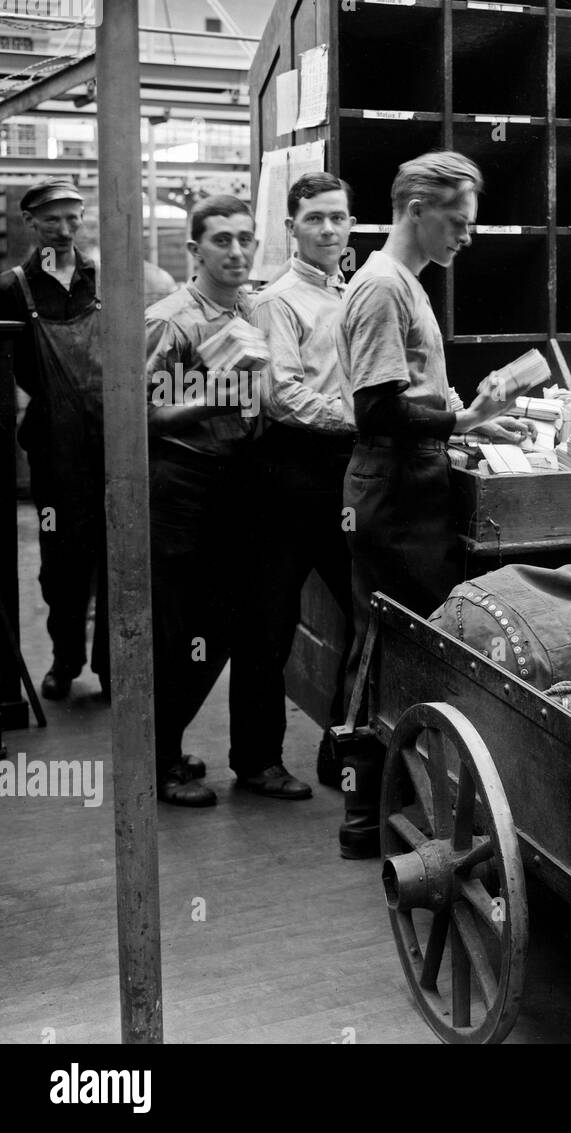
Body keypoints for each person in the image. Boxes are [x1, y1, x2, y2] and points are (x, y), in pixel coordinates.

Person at [334, 150, 526, 858]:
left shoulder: (403, 284)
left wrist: (460, 413)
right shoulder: (384, 287)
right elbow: (376, 409)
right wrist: (464, 422)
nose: (467, 236)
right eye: (459, 221)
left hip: (409, 480)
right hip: (395, 488)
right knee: (387, 641)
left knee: (394, 640)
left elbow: (402, 394)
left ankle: (383, 802)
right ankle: (364, 814)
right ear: (416, 209)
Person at [145, 194, 310, 807]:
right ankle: (158, 762)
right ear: (195, 250)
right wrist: (212, 398)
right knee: (187, 632)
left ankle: (258, 761)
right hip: (186, 489)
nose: (238, 251)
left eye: (246, 238)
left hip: (245, 483)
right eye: (222, 240)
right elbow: (144, 416)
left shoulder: (253, 307)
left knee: (256, 627)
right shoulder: (172, 320)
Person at [233, 173, 357, 795]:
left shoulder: (349, 293)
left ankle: (343, 751)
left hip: (341, 472)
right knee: (268, 624)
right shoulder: (276, 300)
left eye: (338, 217)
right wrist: (362, 417)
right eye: (315, 219)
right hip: (287, 471)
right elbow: (281, 396)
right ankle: (256, 762)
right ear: (291, 228)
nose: (329, 229)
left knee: (366, 612)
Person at [0, 179, 107, 701]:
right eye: (51, 220)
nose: (64, 230)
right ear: (29, 223)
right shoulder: (12, 289)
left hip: (110, 443)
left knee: (118, 557)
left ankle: (114, 665)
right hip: (51, 448)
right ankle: (66, 660)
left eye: (73, 218)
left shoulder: (103, 280)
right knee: (61, 560)